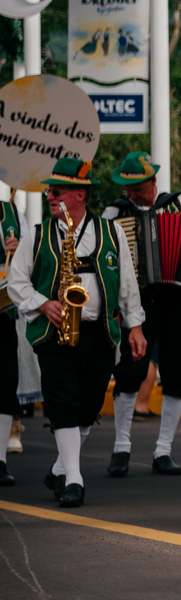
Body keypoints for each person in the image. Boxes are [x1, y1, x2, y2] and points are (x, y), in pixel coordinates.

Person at [8, 158, 146, 506]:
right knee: (63, 403)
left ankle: (59, 467)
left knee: (88, 406)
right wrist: (43, 304)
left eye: (58, 191)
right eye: (49, 191)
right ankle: (73, 478)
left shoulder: (110, 232)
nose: (51, 196)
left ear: (80, 195)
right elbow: (16, 282)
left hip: (99, 332)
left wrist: (135, 325)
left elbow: (127, 282)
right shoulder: (36, 235)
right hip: (53, 334)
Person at [102, 151, 181, 476]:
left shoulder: (180, 203)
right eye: (128, 188)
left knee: (177, 374)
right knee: (129, 372)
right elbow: (107, 257)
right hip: (137, 300)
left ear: (154, 182)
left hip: (177, 298)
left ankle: (164, 450)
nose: (132, 194)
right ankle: (121, 447)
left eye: (138, 188)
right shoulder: (115, 212)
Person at [0, 196, 28, 488]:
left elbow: (30, 260)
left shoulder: (11, 213)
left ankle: (0, 461)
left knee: (5, 384)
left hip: (3, 312)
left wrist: (19, 252)